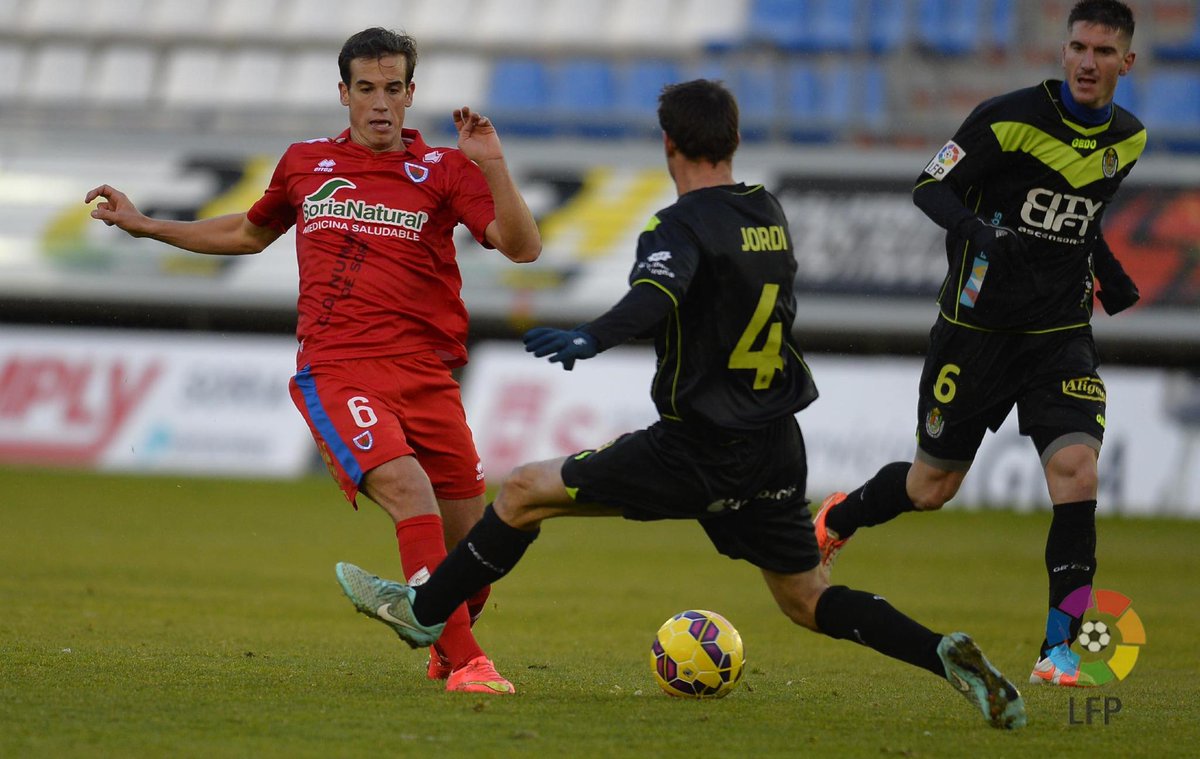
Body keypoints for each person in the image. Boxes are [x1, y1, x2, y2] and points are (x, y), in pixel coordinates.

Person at [333, 79, 1026, 729]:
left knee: (521, 490)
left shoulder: (678, 226)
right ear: (732, 141)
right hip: (774, 444)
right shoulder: (768, 211)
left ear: (669, 145)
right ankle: (938, 650)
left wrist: (590, 335)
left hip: (697, 446)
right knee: (806, 597)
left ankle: (424, 610)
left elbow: (654, 296)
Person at [85, 27, 541, 695]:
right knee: (409, 490)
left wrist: (493, 163)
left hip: (429, 376)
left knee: (473, 568)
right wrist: (148, 223)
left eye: (393, 89)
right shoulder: (305, 163)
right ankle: (471, 665)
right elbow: (247, 231)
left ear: (412, 94)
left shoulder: (445, 169)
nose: (380, 104)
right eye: (366, 89)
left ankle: (443, 637)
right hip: (340, 368)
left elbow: (523, 248)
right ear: (343, 93)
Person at [812, 0, 1144, 689]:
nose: (1088, 62)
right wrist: (980, 234)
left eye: (1103, 52)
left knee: (1077, 471)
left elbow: (1081, 215)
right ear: (1063, 52)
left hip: (1058, 336)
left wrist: (1108, 274)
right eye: (1079, 47)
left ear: (1127, 62)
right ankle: (838, 516)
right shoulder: (1008, 118)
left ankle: (1061, 649)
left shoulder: (1129, 138)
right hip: (976, 332)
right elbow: (930, 186)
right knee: (932, 485)